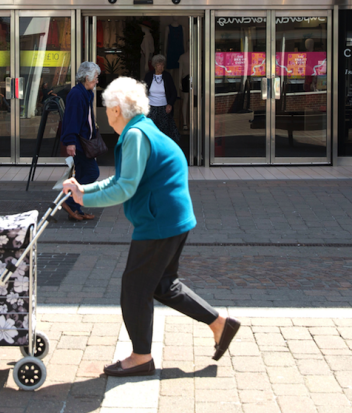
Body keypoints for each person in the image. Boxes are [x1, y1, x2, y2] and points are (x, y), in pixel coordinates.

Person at [62, 77, 240, 377]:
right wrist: (84, 190)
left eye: (107, 109)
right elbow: (122, 180)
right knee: (162, 285)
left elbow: (124, 189)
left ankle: (141, 357)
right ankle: (219, 324)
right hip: (173, 219)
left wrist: (84, 199)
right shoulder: (144, 129)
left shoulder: (135, 136)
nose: (106, 115)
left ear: (117, 109)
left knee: (134, 288)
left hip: (159, 222)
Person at [60, 62, 101, 221]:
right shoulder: (77, 94)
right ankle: (70, 203)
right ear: (86, 77)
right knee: (92, 172)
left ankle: (76, 208)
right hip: (79, 143)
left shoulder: (85, 93)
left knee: (83, 174)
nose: (97, 81)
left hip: (84, 142)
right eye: (95, 78)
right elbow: (71, 120)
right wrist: (70, 142)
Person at [143, 54, 180, 145]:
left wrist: (170, 104)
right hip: (151, 107)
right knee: (151, 130)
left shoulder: (167, 76)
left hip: (164, 108)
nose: (161, 67)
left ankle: (163, 149)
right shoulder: (148, 76)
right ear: (155, 65)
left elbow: (174, 93)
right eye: (159, 65)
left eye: (163, 65)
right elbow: (143, 91)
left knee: (164, 131)